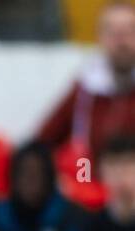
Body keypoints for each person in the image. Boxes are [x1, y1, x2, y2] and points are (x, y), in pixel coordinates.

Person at [37, 1, 135, 160]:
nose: (121, 42)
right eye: (113, 33)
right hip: (89, 179)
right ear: (100, 38)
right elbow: (43, 143)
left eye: (129, 32)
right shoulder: (85, 91)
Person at [83, 133, 135, 231]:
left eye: (128, 164)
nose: (121, 174)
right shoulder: (90, 228)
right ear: (101, 172)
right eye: (113, 166)